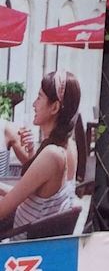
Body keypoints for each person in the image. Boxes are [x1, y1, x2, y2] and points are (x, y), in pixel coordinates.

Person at [0, 71, 80, 236]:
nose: (33, 104)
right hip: (34, 238)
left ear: (54, 107)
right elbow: (32, 196)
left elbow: (2, 210)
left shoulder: (51, 155)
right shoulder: (68, 146)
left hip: (19, 245)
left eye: (39, 97)